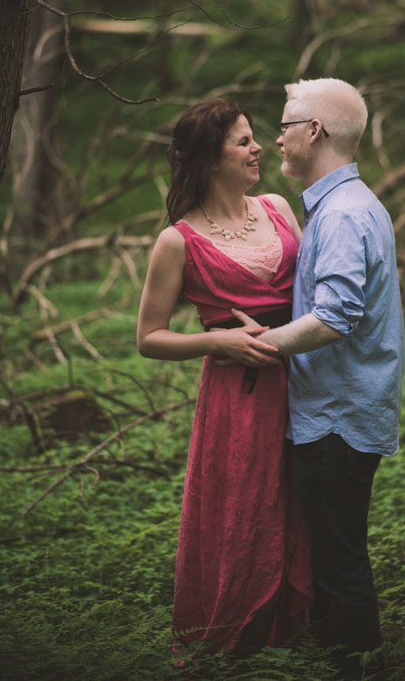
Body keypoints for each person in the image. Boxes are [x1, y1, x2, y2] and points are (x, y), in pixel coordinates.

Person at [231, 78, 405, 680]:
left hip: (337, 419)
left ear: (315, 132)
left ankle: (359, 671)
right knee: (335, 561)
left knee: (341, 564)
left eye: (284, 125)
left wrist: (259, 344)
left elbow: (334, 318)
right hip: (340, 415)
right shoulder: (348, 206)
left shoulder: (342, 216)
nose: (276, 138)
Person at [137, 99, 313, 655]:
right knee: (243, 511)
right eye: (243, 142)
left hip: (304, 384)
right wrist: (219, 341)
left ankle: (295, 633)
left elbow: (314, 294)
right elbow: (148, 337)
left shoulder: (279, 208)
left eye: (254, 138)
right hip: (236, 398)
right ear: (211, 161)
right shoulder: (177, 241)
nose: (259, 147)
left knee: (302, 504)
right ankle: (232, 638)